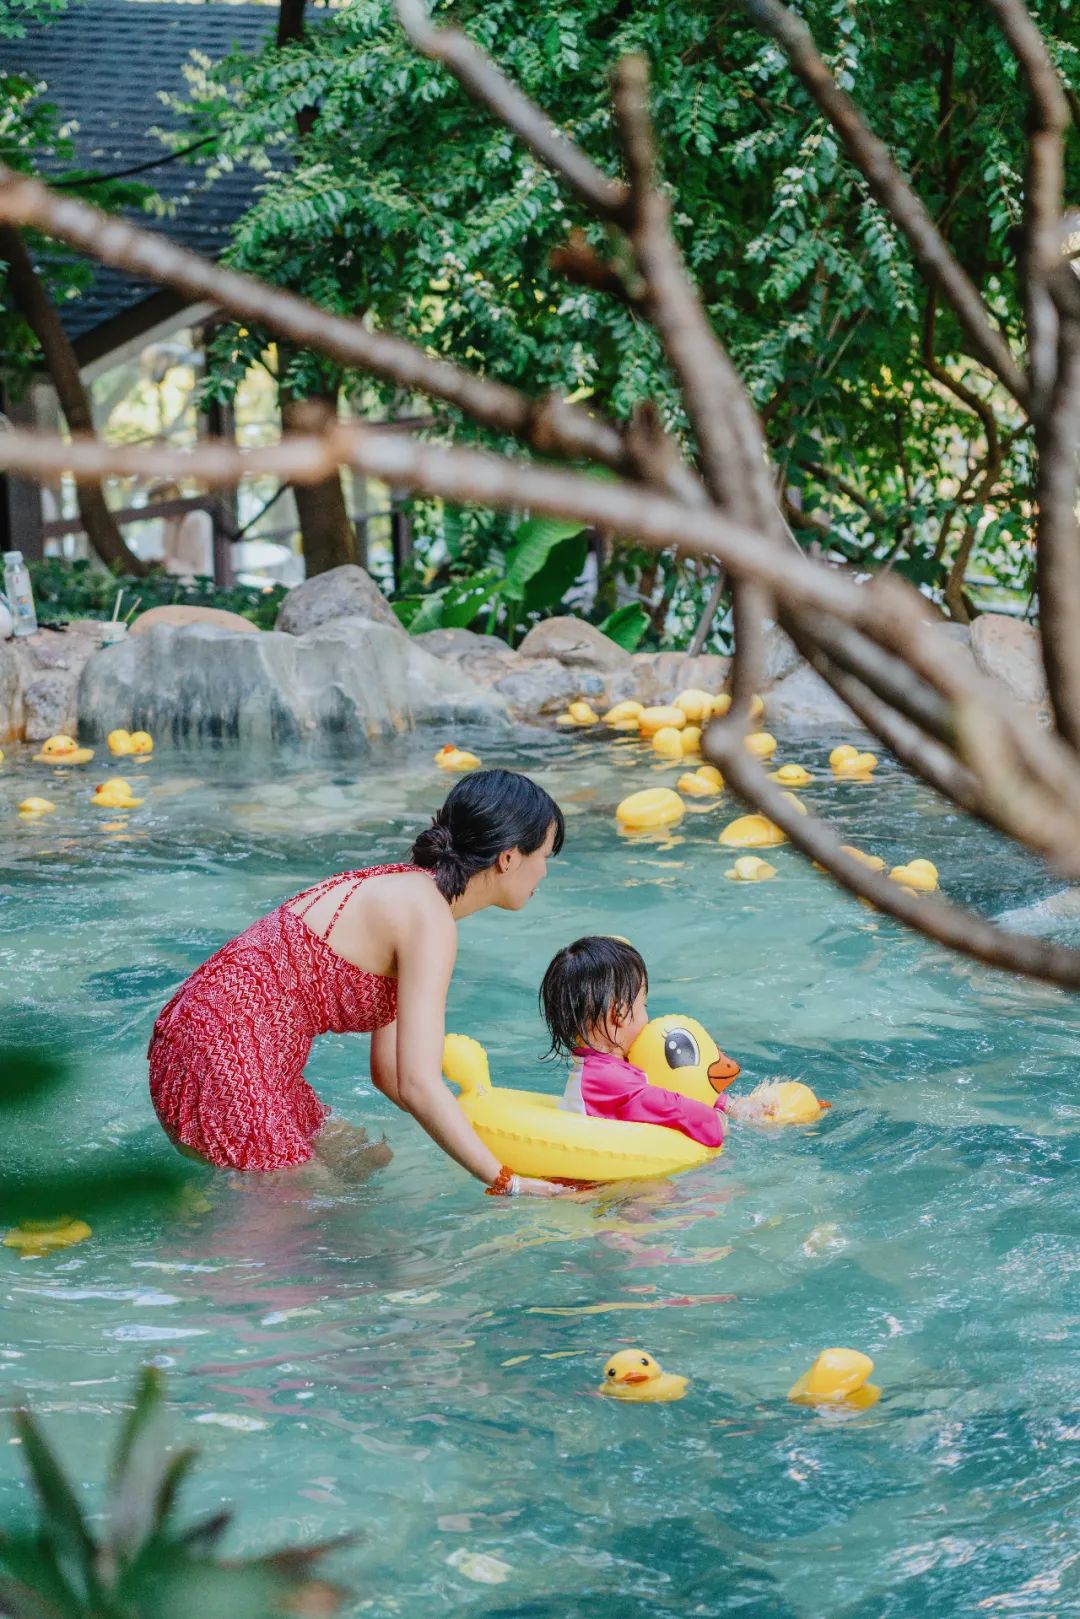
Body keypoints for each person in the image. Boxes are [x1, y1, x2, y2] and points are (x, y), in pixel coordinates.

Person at [148, 768, 566, 1195]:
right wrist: (507, 1181)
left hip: (217, 1034)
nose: (545, 875)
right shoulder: (428, 918)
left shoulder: (413, 892)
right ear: (509, 857)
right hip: (223, 1048)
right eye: (545, 857)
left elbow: (389, 1074)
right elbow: (418, 1084)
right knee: (309, 1213)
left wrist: (497, 1145)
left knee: (363, 1159)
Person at [541, 936, 732, 1147]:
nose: (646, 1018)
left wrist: (726, 1103)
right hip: (594, 1180)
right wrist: (716, 1119)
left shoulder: (609, 1064)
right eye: (644, 1006)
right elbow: (672, 1107)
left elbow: (671, 1082)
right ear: (620, 1013)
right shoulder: (604, 1078)